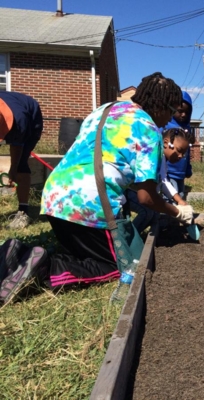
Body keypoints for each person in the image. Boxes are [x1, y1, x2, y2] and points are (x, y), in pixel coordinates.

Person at [37, 72, 193, 290]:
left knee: (88, 250)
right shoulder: (148, 129)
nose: (170, 119)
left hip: (55, 197)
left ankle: (27, 256)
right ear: (160, 106)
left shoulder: (105, 109)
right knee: (129, 267)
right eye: (171, 110)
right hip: (90, 206)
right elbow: (146, 197)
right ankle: (44, 268)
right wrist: (177, 212)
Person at [125, 127, 194, 233]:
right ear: (166, 143)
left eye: (184, 153)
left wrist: (179, 200)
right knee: (147, 212)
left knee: (153, 213)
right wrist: (178, 209)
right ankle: (129, 239)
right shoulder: (156, 157)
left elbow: (164, 181)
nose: (181, 156)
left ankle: (136, 237)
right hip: (129, 189)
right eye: (179, 150)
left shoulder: (162, 160)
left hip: (137, 191)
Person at [0, 91, 43, 229]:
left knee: (20, 165)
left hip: (31, 119)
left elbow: (16, 147)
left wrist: (13, 169)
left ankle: (23, 212)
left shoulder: (20, 121)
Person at [164, 90, 194, 204]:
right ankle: (170, 219)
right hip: (168, 171)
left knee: (181, 194)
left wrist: (187, 168)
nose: (183, 115)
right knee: (171, 196)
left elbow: (188, 150)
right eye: (180, 111)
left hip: (180, 172)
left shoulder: (187, 128)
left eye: (187, 112)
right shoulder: (167, 125)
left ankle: (177, 218)